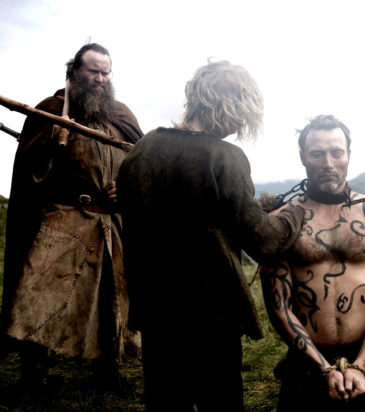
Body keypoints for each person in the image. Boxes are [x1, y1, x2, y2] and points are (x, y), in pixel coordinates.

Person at [115, 60, 305, 412]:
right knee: (221, 403)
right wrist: (294, 216)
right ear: (227, 105)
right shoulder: (225, 157)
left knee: (165, 403)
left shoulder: (141, 150)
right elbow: (264, 242)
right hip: (211, 313)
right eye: (240, 115)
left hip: (155, 309)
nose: (239, 126)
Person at [0, 43, 143, 390]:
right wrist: (52, 141)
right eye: (93, 71)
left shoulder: (121, 116)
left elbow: (140, 160)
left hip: (109, 224)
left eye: (105, 73)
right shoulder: (51, 111)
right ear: (74, 71)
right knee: (39, 296)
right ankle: (34, 373)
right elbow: (32, 169)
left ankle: (107, 371)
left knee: (111, 299)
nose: (100, 78)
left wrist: (125, 187)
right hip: (63, 219)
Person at [260, 115, 365, 412]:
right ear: (303, 157)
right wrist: (323, 368)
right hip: (306, 361)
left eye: (336, 152)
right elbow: (278, 305)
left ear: (349, 154)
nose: (328, 163)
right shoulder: (281, 223)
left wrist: (361, 365)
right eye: (317, 154)